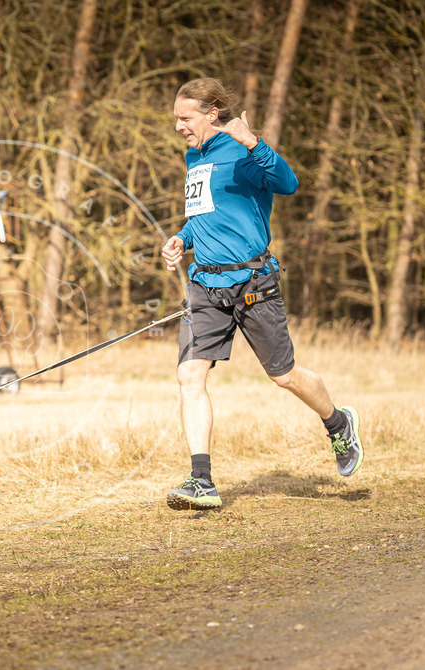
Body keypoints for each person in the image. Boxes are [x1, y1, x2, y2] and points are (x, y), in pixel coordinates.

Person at [161, 77, 363, 511]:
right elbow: (203, 216)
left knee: (284, 376)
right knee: (190, 376)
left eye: (185, 118)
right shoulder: (194, 156)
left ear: (211, 114)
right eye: (176, 118)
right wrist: (181, 238)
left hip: (253, 284)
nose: (178, 126)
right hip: (204, 286)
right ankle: (201, 481)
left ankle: (337, 421)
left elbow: (288, 184)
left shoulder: (243, 150)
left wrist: (253, 142)